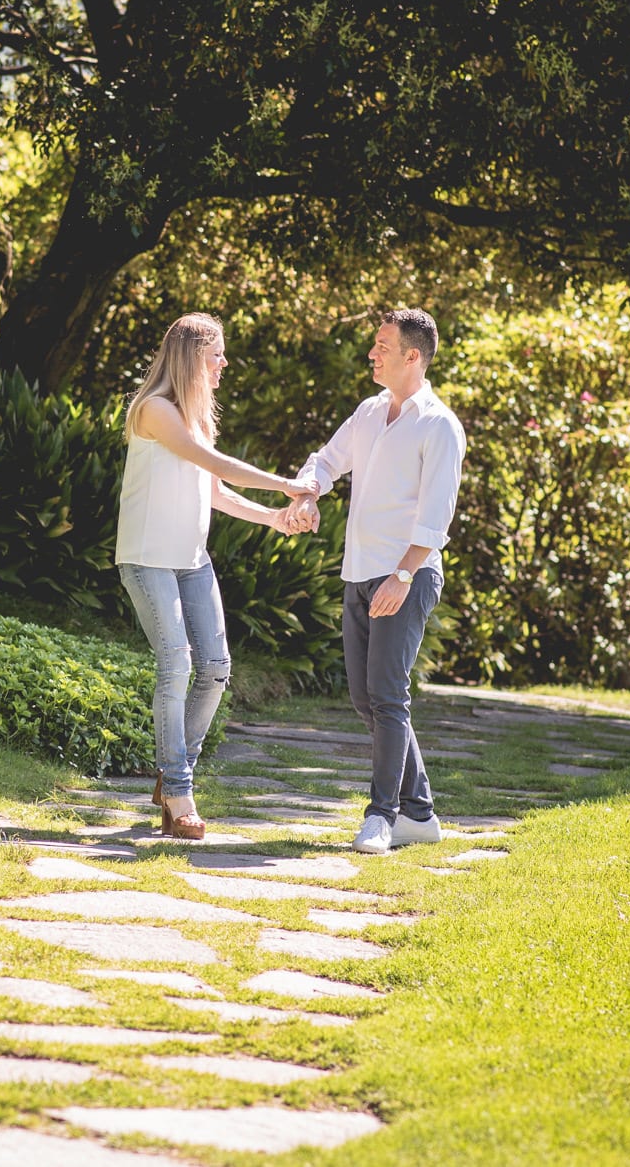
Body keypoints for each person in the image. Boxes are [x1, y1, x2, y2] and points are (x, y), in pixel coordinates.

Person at [115, 313, 315, 840]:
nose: (225, 363)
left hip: (192, 559)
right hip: (148, 557)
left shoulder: (197, 417)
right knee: (177, 664)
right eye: (217, 355)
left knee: (216, 667)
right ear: (191, 358)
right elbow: (213, 462)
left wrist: (275, 517)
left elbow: (215, 492)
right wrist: (289, 486)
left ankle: (173, 772)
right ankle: (179, 789)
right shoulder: (154, 410)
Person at [283, 309, 466, 854]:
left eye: (382, 346)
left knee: (387, 696)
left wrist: (403, 575)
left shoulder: (439, 425)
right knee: (367, 699)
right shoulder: (368, 412)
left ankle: (381, 816)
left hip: (405, 575)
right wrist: (310, 490)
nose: (372, 353)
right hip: (360, 570)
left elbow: (436, 518)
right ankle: (421, 812)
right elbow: (327, 460)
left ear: (413, 356)